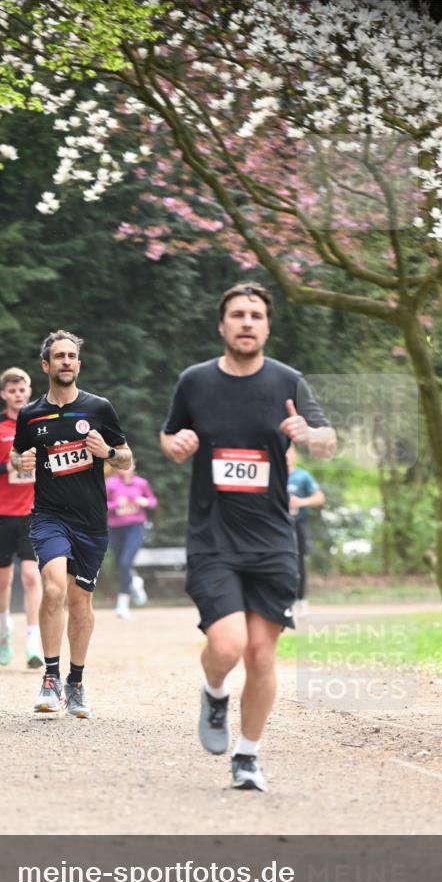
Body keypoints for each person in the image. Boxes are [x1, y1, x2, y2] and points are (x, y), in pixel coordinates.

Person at [161, 282, 336, 792]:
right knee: (228, 644)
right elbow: (169, 437)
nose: (246, 322)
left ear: (267, 326)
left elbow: (327, 439)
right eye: (237, 314)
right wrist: (179, 445)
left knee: (262, 655)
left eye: (255, 315)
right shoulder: (195, 382)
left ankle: (247, 755)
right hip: (213, 536)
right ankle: (214, 691)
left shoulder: (288, 381)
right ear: (222, 325)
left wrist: (311, 435)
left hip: (273, 539)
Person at [10, 330, 132, 718]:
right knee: (53, 588)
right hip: (49, 516)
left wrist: (108, 452)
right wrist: (21, 462)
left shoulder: (99, 408)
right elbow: (16, 455)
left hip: (91, 522)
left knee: (81, 603)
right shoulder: (30, 414)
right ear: (46, 365)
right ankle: (50, 676)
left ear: (78, 364)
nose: (66, 361)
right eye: (58, 356)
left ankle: (75, 683)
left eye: (71, 356)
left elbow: (126, 457)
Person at [0, 368, 43, 668]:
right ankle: (4, 628)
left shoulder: (41, 420)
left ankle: (33, 640)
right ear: (3, 394)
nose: (17, 395)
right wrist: (6, 468)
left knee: (31, 576)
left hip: (33, 512)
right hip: (0, 513)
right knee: (2, 578)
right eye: (12, 391)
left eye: (22, 390)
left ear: (29, 391)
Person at [106, 464, 157, 618]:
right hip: (116, 529)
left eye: (128, 464)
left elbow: (153, 502)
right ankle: (134, 581)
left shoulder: (141, 483)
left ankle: (122, 603)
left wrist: (144, 502)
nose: (125, 468)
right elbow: (101, 504)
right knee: (120, 563)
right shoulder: (110, 483)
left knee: (125, 563)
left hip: (136, 528)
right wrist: (116, 505)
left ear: (134, 465)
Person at [286, 444, 325, 618]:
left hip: (298, 525)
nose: (286, 455)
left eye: (289, 452)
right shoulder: (272, 474)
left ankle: (301, 601)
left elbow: (319, 498)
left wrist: (300, 502)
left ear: (294, 455)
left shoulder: (302, 476)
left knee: (299, 562)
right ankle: (284, 602)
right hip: (278, 526)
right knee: (280, 562)